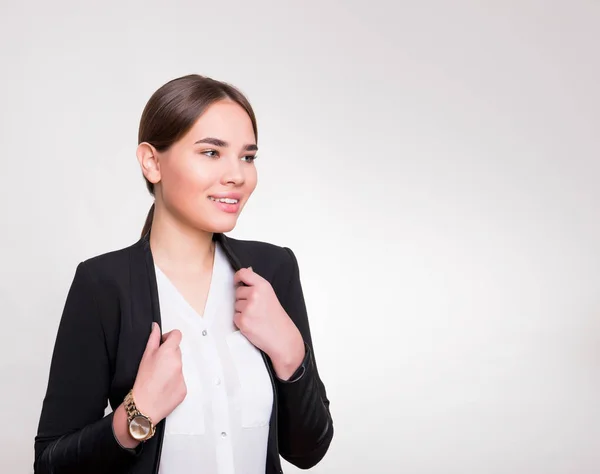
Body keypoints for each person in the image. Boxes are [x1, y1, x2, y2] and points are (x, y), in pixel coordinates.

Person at [34, 74, 333, 474]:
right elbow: (50, 465)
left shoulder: (273, 271)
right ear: (152, 162)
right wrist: (136, 416)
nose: (238, 175)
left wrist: (291, 353)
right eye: (211, 152)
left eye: (248, 156)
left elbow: (308, 450)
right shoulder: (102, 285)